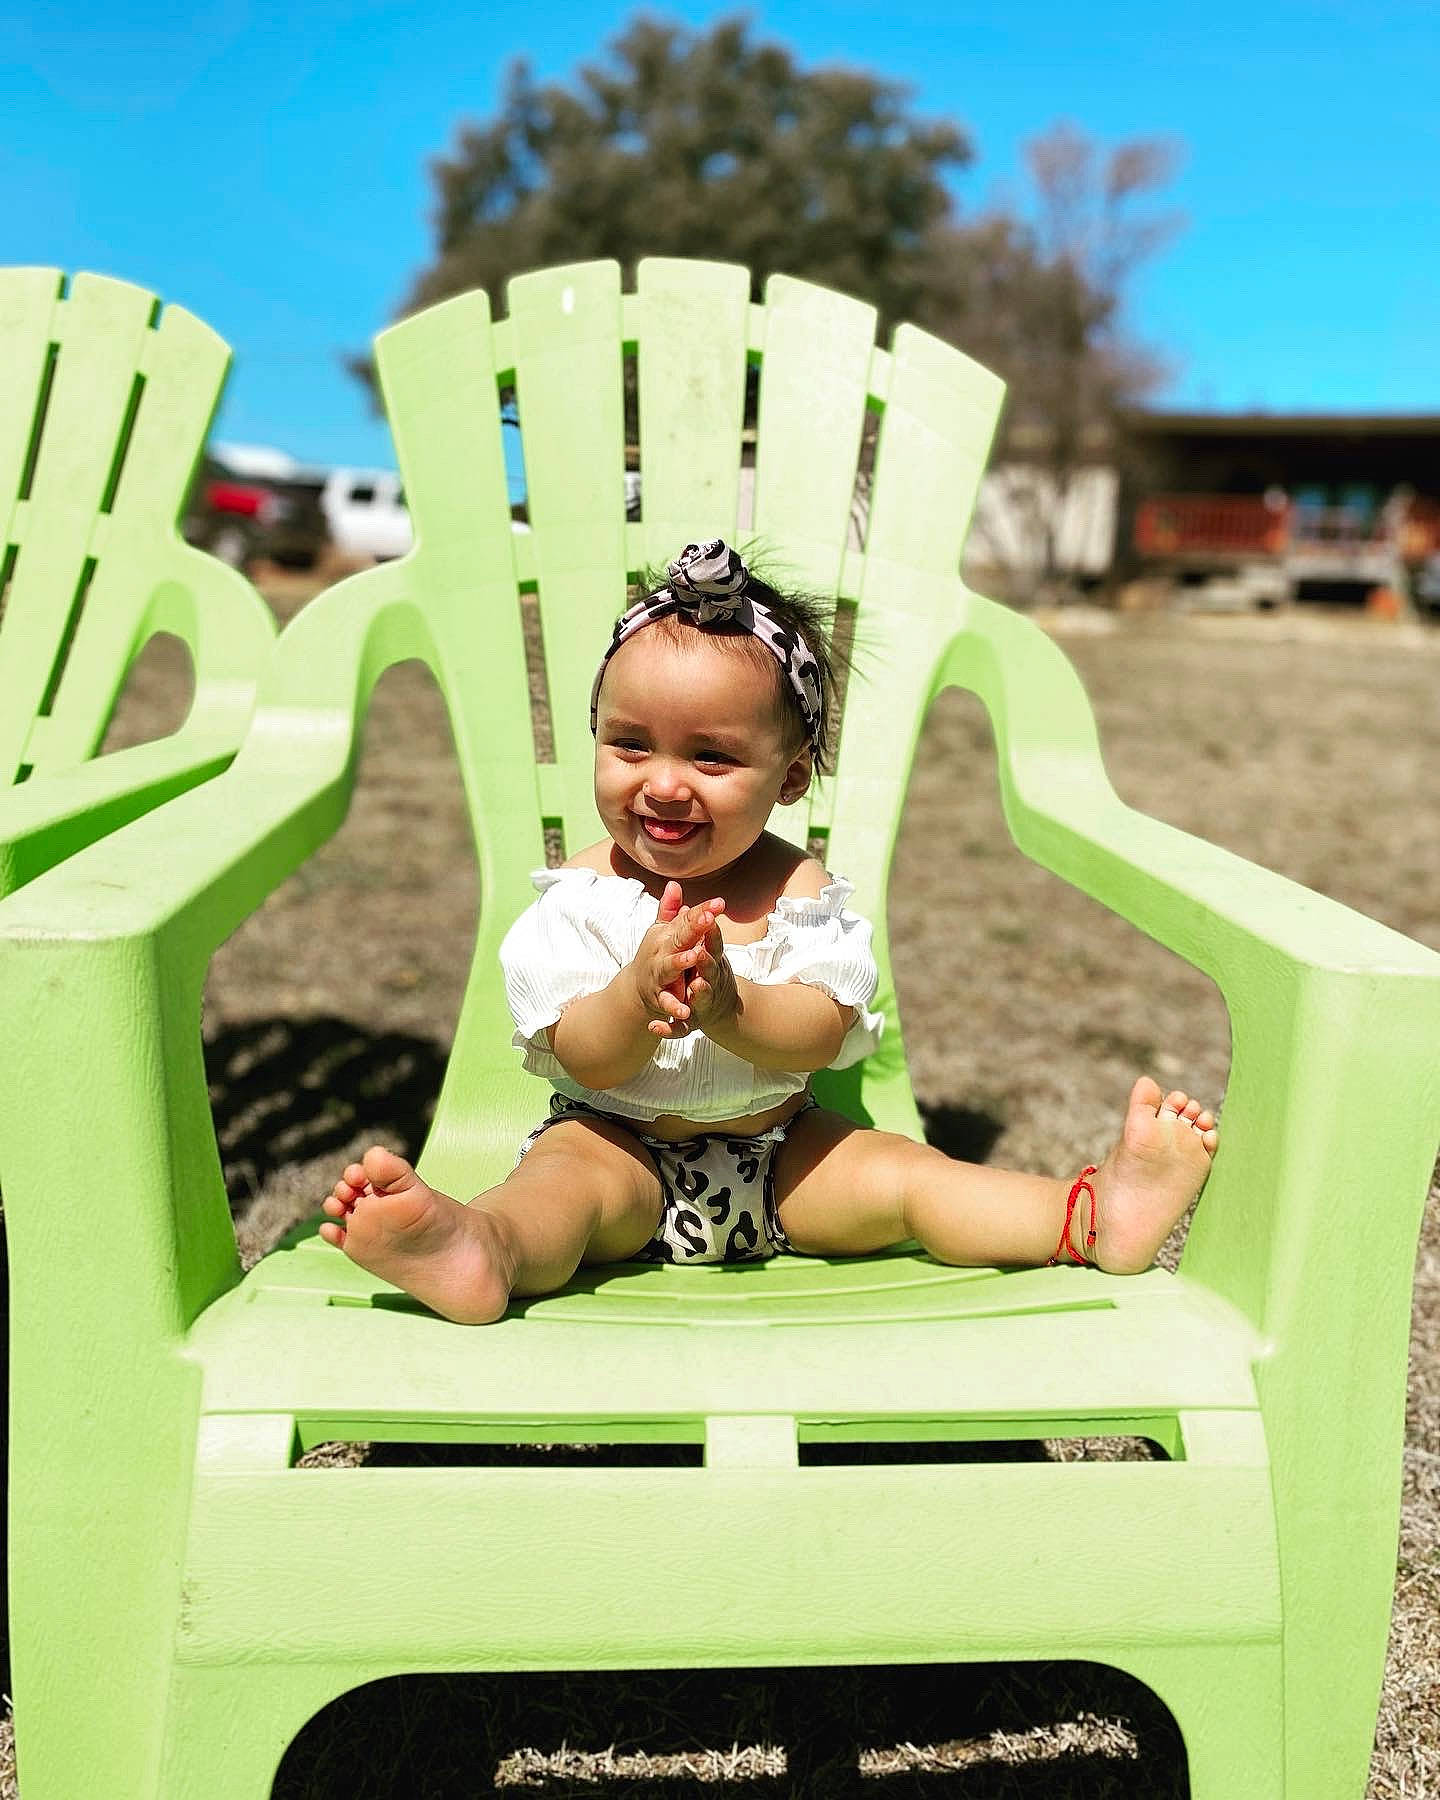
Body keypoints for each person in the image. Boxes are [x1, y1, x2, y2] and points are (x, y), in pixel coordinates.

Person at [320, 539, 1217, 1323]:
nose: (665, 783)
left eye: (711, 756)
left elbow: (819, 1037)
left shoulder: (800, 889)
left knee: (911, 1176)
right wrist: (636, 996)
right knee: (556, 1194)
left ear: (788, 780)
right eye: (632, 744)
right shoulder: (578, 897)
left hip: (786, 1156)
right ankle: (483, 1250)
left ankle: (1091, 1215)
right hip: (619, 1148)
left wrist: (730, 1005)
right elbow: (587, 1057)